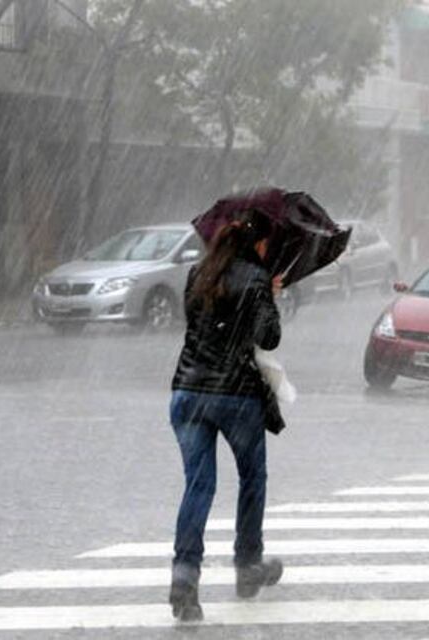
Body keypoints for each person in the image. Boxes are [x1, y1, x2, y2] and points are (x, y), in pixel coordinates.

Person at [168, 208, 284, 622]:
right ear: (259, 243)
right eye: (268, 244)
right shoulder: (255, 278)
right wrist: (269, 296)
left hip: (188, 392)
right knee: (252, 478)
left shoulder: (197, 274)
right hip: (235, 396)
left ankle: (184, 578)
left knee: (198, 486)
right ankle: (248, 565)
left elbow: (199, 325)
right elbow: (268, 337)